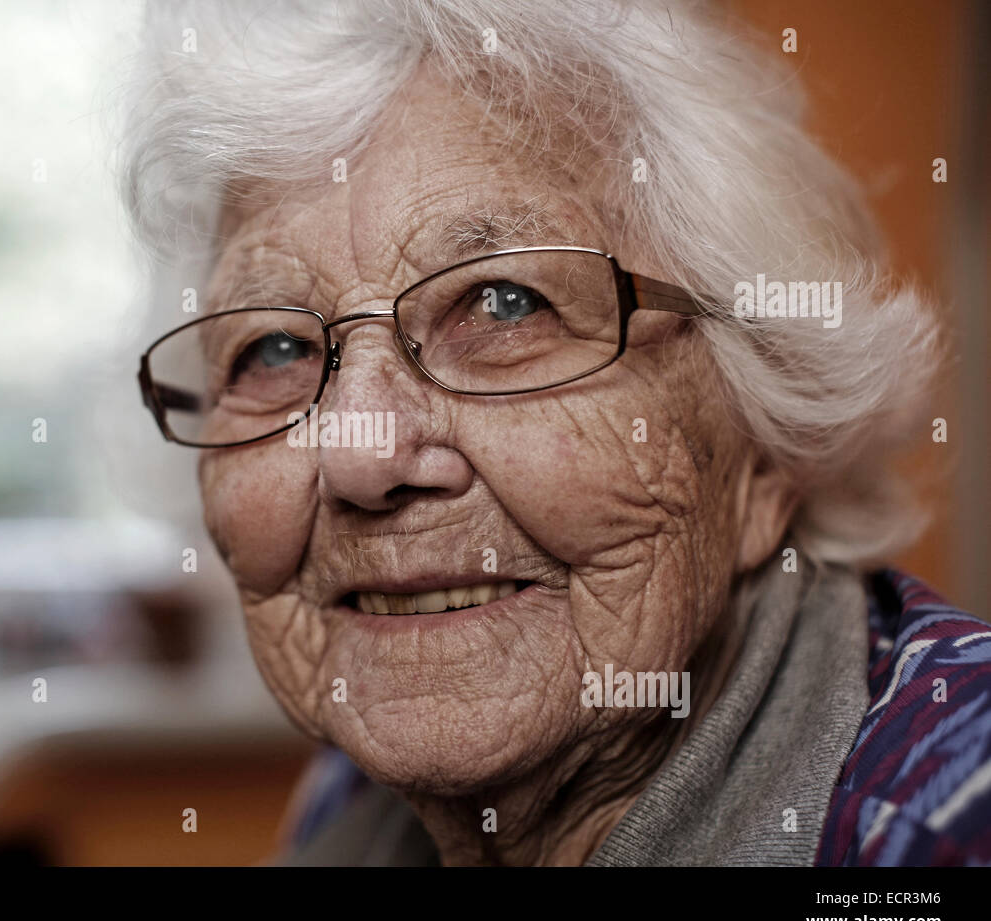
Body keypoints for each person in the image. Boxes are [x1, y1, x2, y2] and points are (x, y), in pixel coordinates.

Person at [123, 0, 991, 865]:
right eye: (274, 349)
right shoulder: (350, 796)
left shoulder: (949, 824)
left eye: (506, 305)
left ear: (765, 451)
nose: (358, 455)